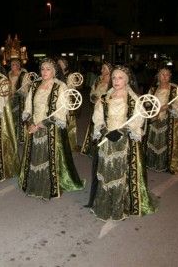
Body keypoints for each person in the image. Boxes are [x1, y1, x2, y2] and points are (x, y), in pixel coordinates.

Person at [91, 66, 156, 221]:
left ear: (127, 80)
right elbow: (98, 117)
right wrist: (103, 129)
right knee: (106, 173)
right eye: (114, 78)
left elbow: (138, 120)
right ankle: (104, 204)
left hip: (124, 142)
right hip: (107, 140)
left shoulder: (134, 100)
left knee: (120, 174)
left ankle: (119, 206)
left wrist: (122, 131)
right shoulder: (104, 98)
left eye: (120, 78)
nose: (116, 81)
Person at [18, 58, 84, 199]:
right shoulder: (35, 85)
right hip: (34, 125)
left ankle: (48, 185)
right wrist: (29, 121)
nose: (44, 71)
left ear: (54, 71)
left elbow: (62, 111)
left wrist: (41, 124)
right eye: (42, 69)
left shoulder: (60, 86)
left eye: (48, 69)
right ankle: (34, 183)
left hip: (50, 127)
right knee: (34, 156)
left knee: (49, 157)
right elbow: (28, 105)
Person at [144, 67, 178, 173]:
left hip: (168, 119)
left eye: (167, 74)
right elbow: (147, 102)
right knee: (153, 141)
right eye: (162, 74)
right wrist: (153, 108)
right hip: (154, 119)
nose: (164, 77)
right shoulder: (153, 89)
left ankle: (164, 164)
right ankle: (152, 163)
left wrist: (169, 107)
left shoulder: (174, 89)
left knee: (165, 142)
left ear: (170, 76)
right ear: (158, 76)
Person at [81, 62, 112, 208]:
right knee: (95, 127)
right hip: (97, 107)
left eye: (105, 69)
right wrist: (93, 97)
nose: (102, 70)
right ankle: (92, 147)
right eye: (102, 68)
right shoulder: (98, 80)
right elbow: (92, 91)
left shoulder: (113, 81)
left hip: (108, 111)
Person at [57, 57, 81, 153]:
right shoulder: (56, 75)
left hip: (68, 102)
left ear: (65, 64)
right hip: (58, 102)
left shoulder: (70, 75)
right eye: (58, 63)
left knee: (70, 123)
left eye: (61, 63)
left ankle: (71, 145)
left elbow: (73, 90)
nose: (59, 65)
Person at [8, 58, 29, 145]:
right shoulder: (9, 74)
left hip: (20, 99)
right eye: (12, 64)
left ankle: (21, 137)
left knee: (20, 117)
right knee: (12, 117)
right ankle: (13, 136)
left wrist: (18, 93)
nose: (13, 66)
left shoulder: (24, 74)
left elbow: (26, 87)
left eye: (15, 64)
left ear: (19, 65)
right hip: (11, 99)